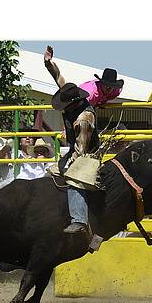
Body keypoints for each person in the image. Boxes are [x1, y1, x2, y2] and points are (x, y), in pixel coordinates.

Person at [51, 83, 100, 234]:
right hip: (77, 149)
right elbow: (59, 79)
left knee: (74, 179)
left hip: (88, 156)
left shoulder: (83, 119)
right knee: (52, 172)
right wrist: (49, 64)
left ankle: (79, 220)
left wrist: (67, 167)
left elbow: (81, 150)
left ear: (74, 103)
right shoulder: (75, 102)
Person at [44, 45, 124, 108]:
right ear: (102, 84)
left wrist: (100, 102)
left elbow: (114, 92)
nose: (109, 89)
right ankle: (48, 63)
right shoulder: (90, 92)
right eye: (107, 86)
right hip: (79, 99)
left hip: (86, 101)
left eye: (111, 86)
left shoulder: (116, 91)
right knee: (65, 87)